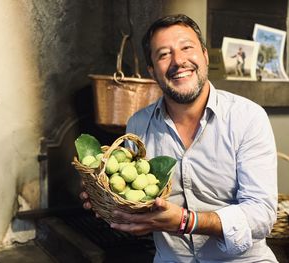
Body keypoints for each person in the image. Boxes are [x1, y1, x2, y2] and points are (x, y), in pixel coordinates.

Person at [80, 14, 278, 262]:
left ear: (205, 56)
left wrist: (186, 221)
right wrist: (107, 199)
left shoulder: (248, 118)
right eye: (164, 54)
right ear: (152, 70)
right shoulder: (138, 125)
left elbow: (262, 215)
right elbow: (137, 200)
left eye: (187, 48)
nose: (179, 61)